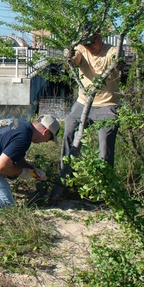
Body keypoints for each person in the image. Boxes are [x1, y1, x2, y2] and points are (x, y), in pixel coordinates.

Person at [51, 32, 121, 200]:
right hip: (83, 102)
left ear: (100, 37)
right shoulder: (81, 49)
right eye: (86, 43)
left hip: (107, 105)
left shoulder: (112, 51)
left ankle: (103, 189)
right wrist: (70, 58)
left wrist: (116, 63)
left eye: (92, 42)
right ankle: (67, 178)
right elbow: (73, 62)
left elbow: (117, 65)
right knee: (69, 130)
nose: (90, 46)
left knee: (105, 146)